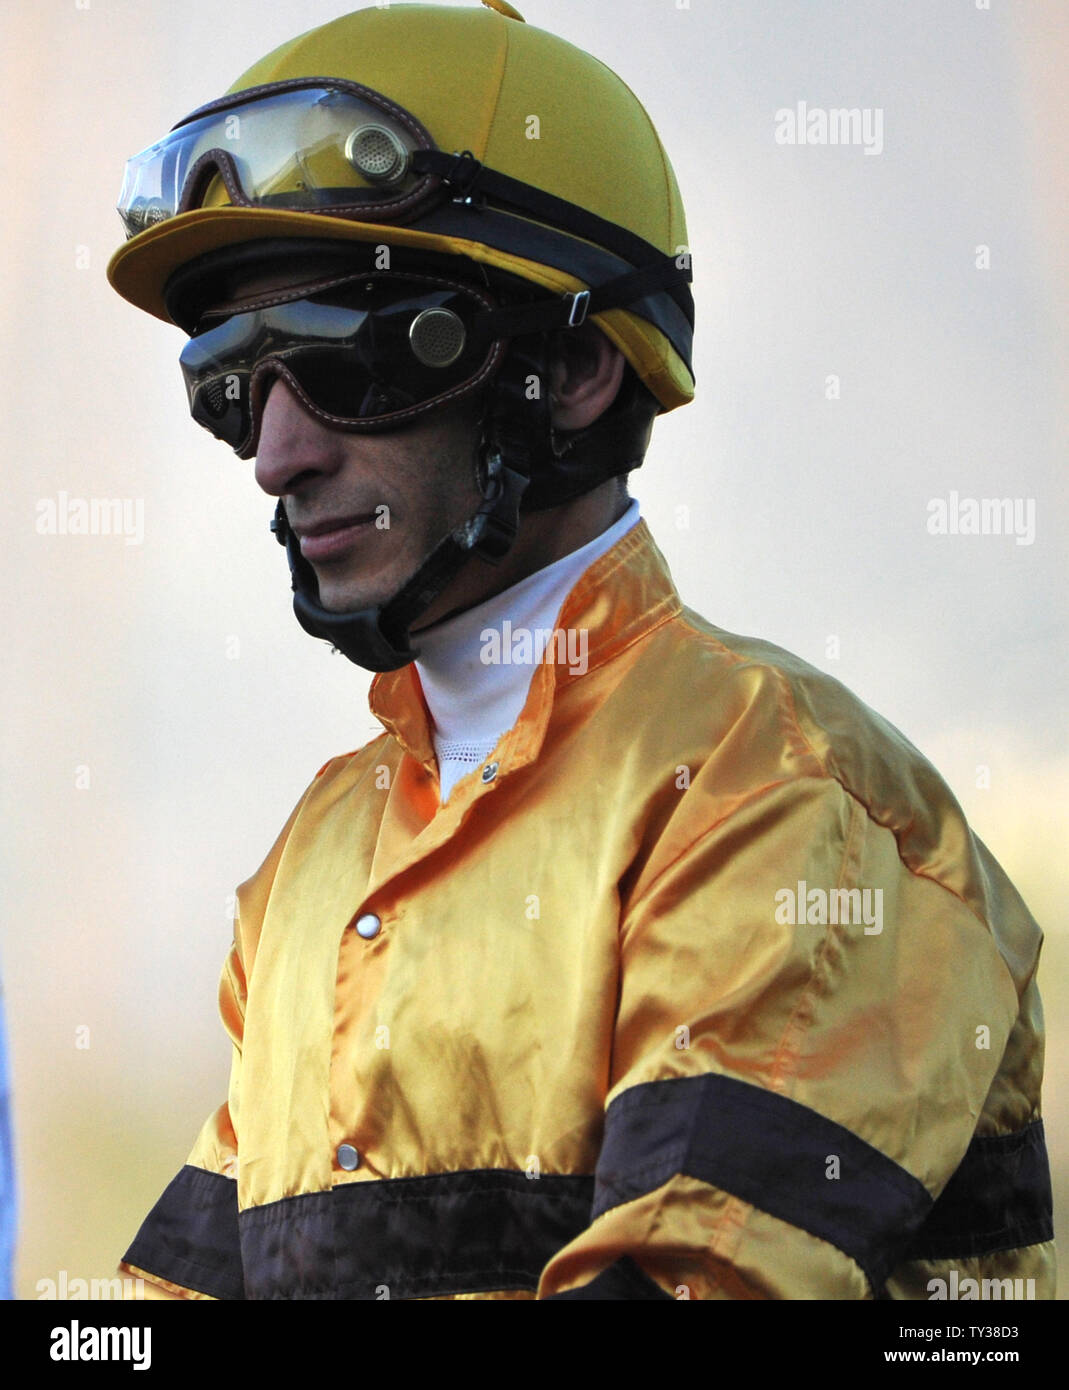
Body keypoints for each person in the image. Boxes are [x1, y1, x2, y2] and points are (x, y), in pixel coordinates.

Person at [108, 0, 1054, 1300]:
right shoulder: (311, 871)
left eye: (344, 359)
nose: (276, 453)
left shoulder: (773, 799)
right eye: (231, 380)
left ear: (573, 374)